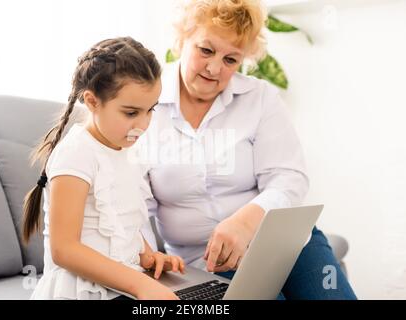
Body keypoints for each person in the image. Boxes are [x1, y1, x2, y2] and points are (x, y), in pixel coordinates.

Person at [138, 0, 357, 299]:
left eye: (231, 59)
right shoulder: (142, 104)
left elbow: (289, 178)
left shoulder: (260, 98)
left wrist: (245, 222)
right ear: (181, 40)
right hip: (205, 264)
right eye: (206, 50)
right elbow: (133, 206)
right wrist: (145, 264)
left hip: (290, 244)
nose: (215, 68)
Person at [22, 37, 185, 300]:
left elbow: (118, 222)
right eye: (131, 113)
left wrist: (148, 256)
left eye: (150, 110)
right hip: (79, 290)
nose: (143, 125)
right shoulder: (76, 153)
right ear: (92, 101)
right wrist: (140, 285)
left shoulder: (126, 149)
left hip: (119, 284)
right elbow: (64, 250)